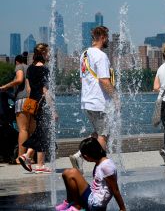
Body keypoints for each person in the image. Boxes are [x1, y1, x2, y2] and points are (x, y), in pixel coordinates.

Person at [70, 26, 119, 173]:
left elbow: (82, 78)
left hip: (88, 101)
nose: (107, 41)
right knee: (103, 136)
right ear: (103, 37)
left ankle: (79, 155)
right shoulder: (101, 55)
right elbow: (104, 80)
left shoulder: (84, 54)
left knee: (98, 132)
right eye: (107, 38)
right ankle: (101, 170)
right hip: (99, 102)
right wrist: (116, 98)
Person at [56, 137, 126, 211]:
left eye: (82, 155)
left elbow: (115, 189)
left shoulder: (106, 166)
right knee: (67, 174)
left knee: (72, 173)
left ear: (86, 156)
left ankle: (76, 207)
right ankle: (70, 202)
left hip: (95, 204)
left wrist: (122, 208)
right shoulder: (100, 161)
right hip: (93, 198)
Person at [18, 43, 58, 173]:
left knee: (41, 131)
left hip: (33, 103)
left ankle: (33, 159)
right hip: (43, 104)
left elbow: (29, 89)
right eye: (48, 53)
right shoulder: (44, 69)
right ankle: (30, 158)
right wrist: (53, 110)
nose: (49, 55)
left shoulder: (30, 68)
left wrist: (32, 104)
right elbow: (45, 90)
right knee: (43, 131)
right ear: (43, 54)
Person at [0, 54, 35, 164]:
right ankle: (30, 157)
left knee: (23, 129)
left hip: (22, 99)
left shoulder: (20, 66)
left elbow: (19, 79)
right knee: (31, 130)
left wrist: (6, 86)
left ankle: (20, 157)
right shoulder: (31, 69)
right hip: (32, 100)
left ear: (17, 62)